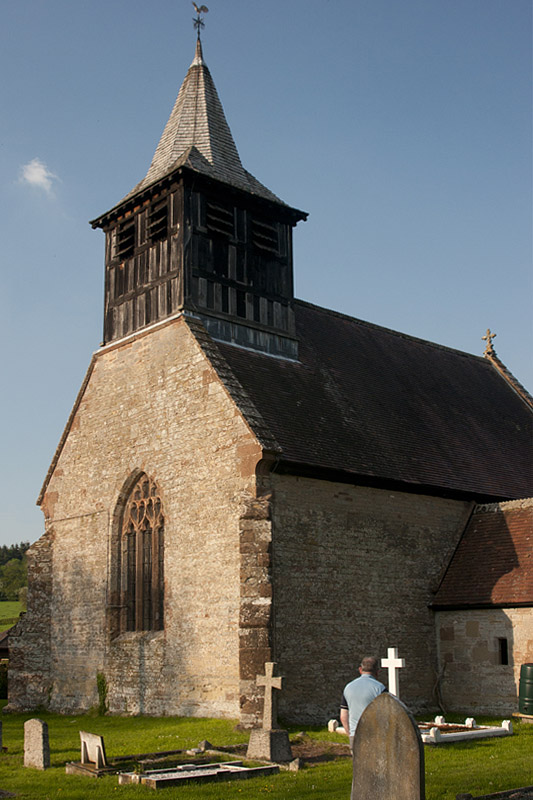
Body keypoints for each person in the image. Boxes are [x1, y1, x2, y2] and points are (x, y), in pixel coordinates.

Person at [340, 656, 387, 750]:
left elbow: (343, 716)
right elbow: (386, 715)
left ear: (360, 670)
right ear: (378, 672)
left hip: (355, 735)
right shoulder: (380, 688)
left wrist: (351, 734)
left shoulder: (348, 687)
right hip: (375, 736)